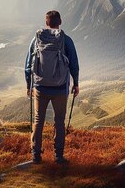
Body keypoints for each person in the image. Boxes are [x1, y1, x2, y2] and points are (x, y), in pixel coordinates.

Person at [24, 10, 79, 164]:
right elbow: (74, 64)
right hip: (61, 88)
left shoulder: (36, 40)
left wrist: (29, 84)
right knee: (59, 121)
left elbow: (28, 65)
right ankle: (59, 155)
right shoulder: (66, 40)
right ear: (60, 21)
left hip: (40, 87)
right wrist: (76, 83)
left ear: (46, 22)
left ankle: (36, 154)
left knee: (38, 120)